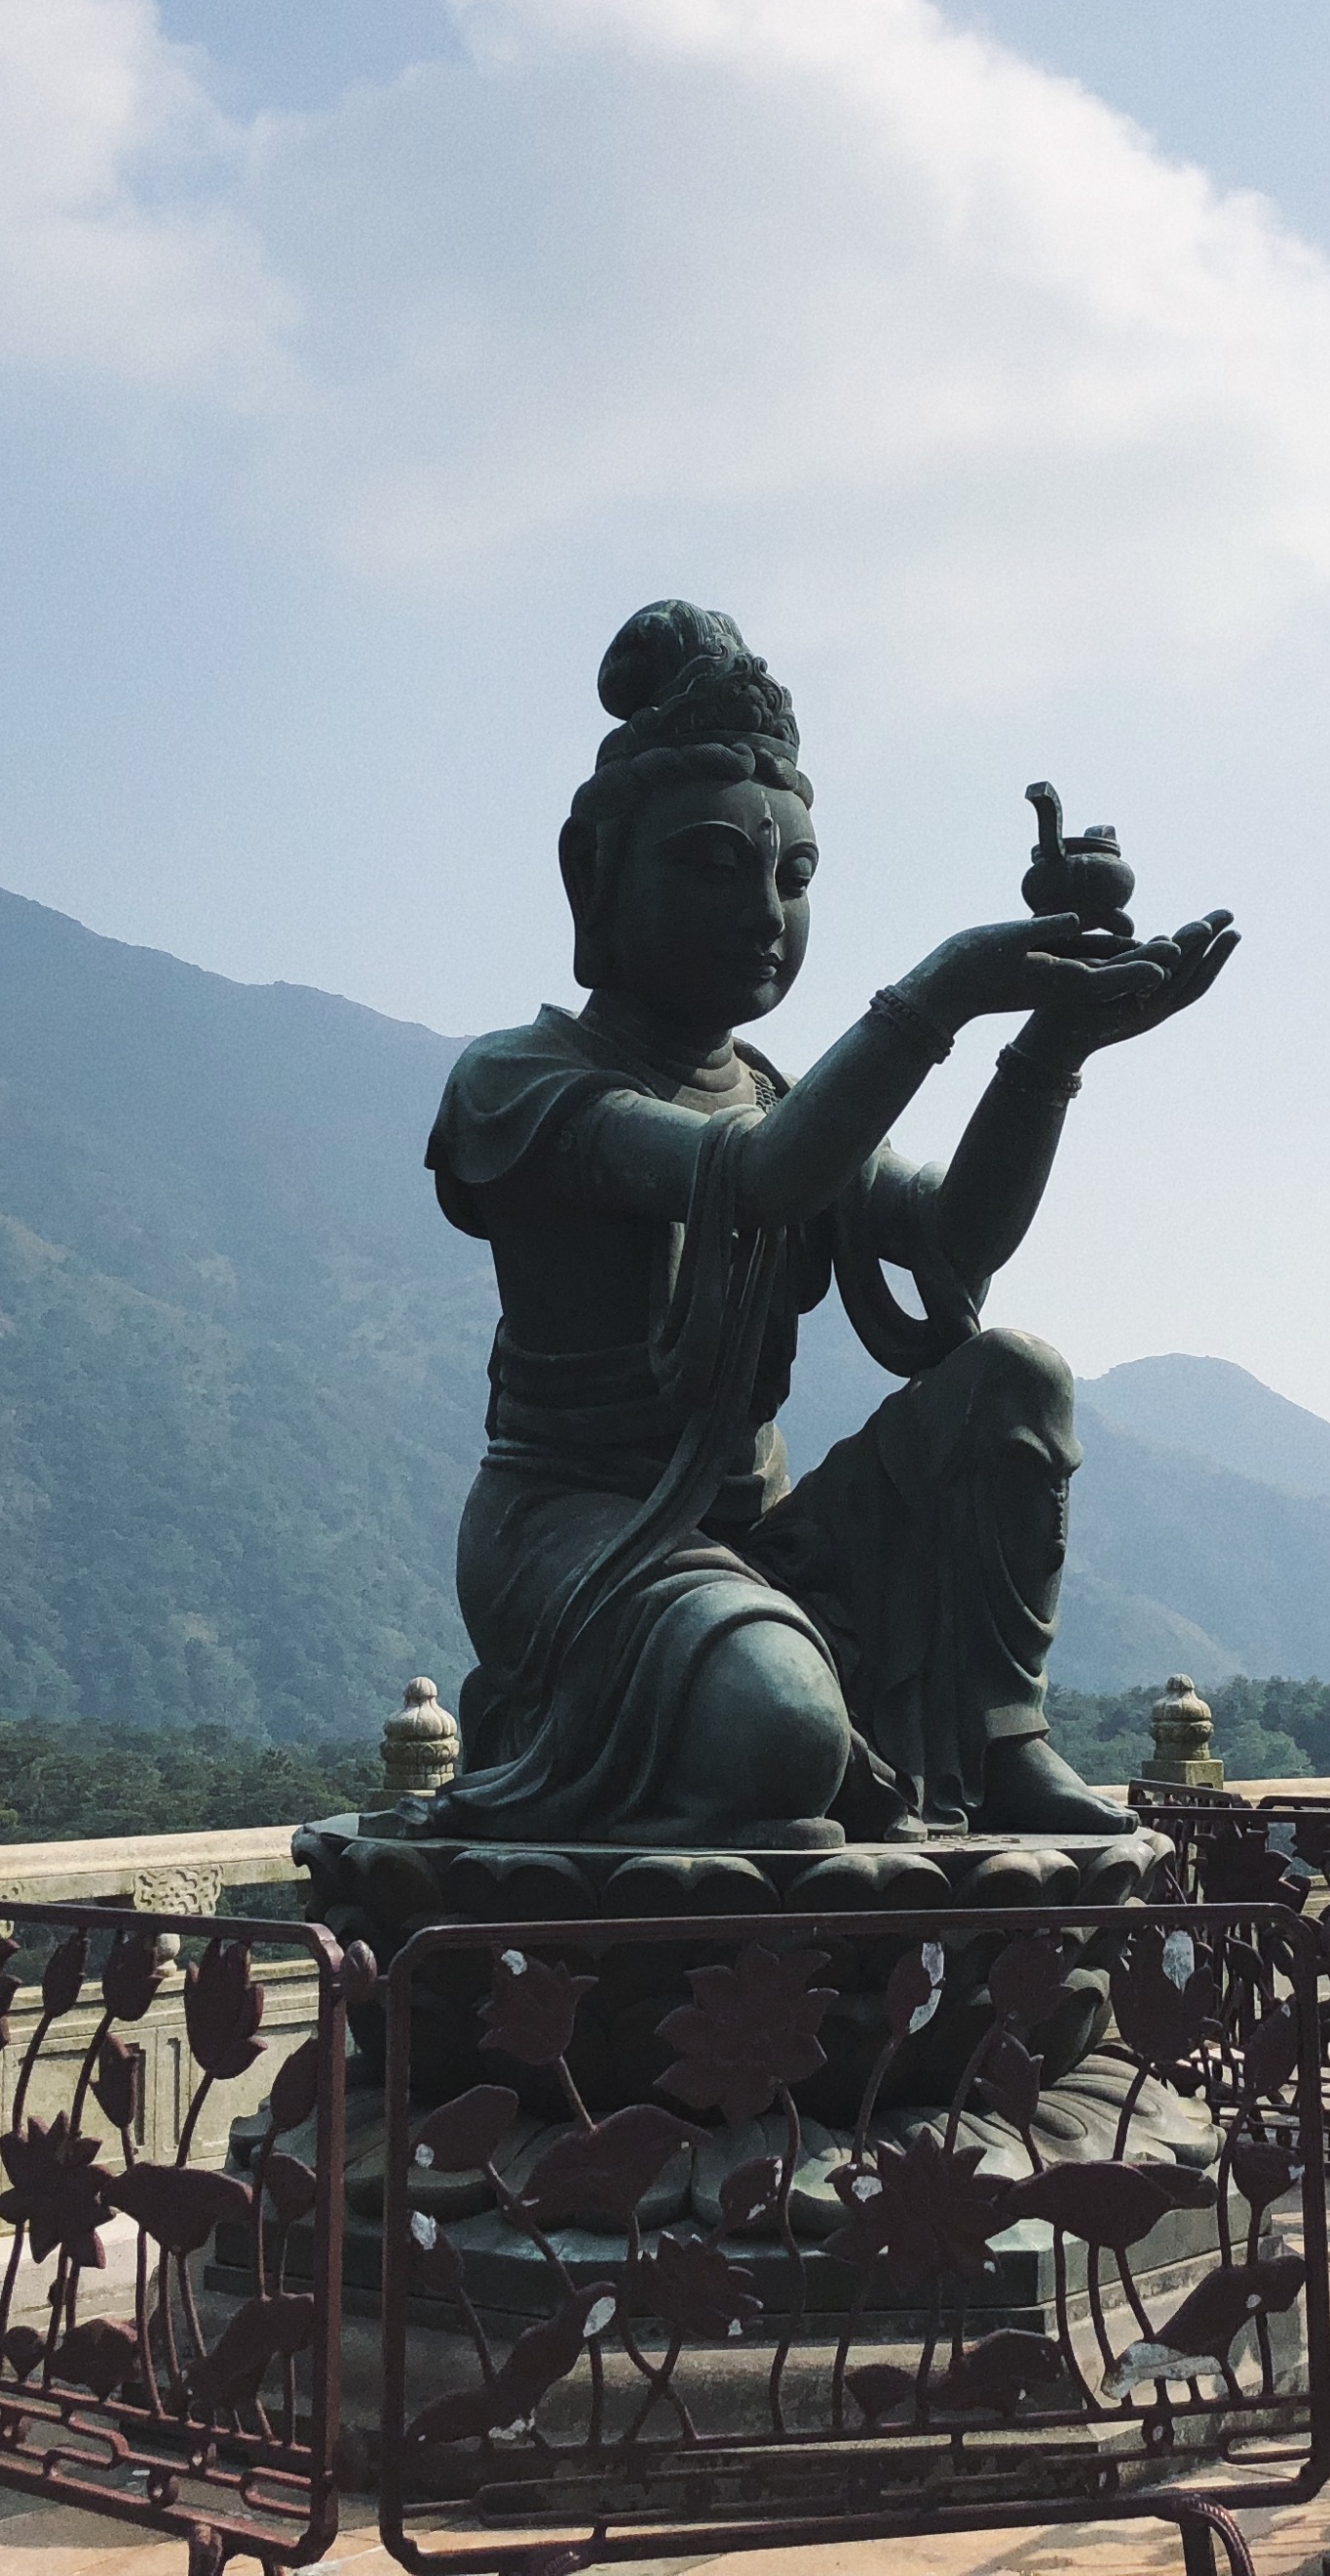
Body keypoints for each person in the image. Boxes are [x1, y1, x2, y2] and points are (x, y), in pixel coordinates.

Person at [425, 602, 1236, 1844]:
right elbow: (755, 1178)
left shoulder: (778, 1090)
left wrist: (1052, 1044)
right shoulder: (525, 1083)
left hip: (763, 1541)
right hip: (580, 1537)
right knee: (782, 1732)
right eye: (712, 864)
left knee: (1015, 1375)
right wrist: (946, 988)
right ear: (596, 873)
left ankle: (1001, 1733)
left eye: (793, 875)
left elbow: (956, 1238)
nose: (765, 910)